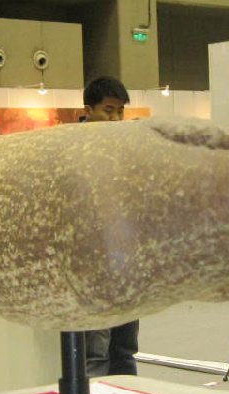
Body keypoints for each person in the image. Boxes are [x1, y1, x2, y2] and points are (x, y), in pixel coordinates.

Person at [80, 76, 139, 377]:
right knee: (95, 349)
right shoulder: (73, 150)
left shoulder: (127, 150)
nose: (116, 118)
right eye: (108, 110)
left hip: (126, 261)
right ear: (88, 110)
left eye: (120, 111)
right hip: (92, 264)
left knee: (125, 348)